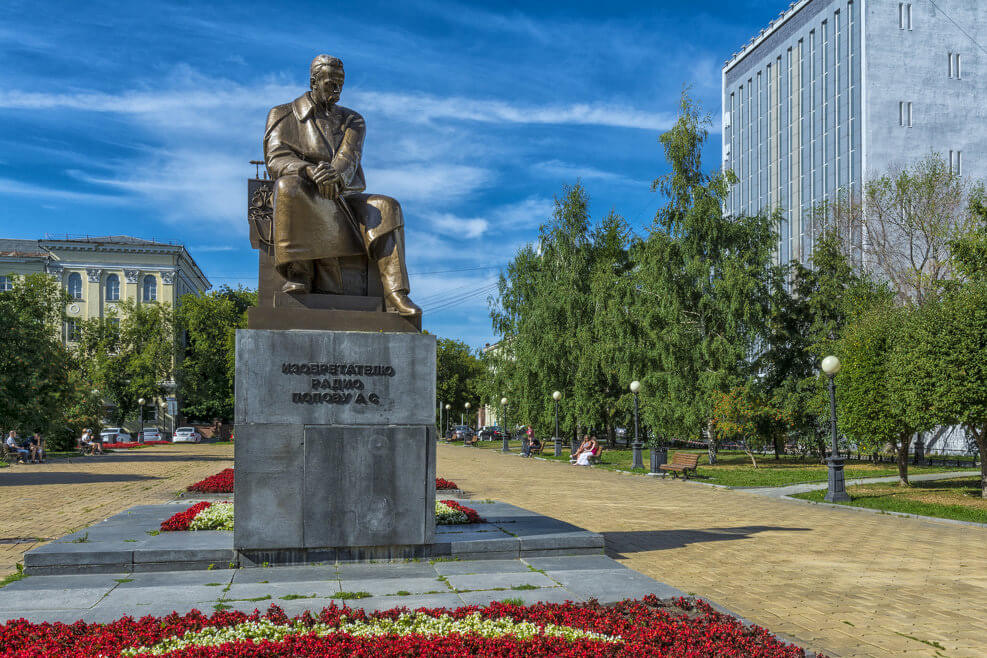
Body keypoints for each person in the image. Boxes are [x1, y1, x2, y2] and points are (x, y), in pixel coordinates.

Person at [263, 55, 420, 317]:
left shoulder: (352, 120)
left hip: (342, 193)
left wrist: (334, 176)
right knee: (288, 186)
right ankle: (300, 273)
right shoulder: (283, 114)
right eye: (330, 83)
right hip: (302, 188)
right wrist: (309, 171)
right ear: (313, 81)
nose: (336, 89)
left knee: (387, 206)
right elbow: (275, 158)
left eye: (340, 84)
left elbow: (350, 156)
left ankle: (395, 293)